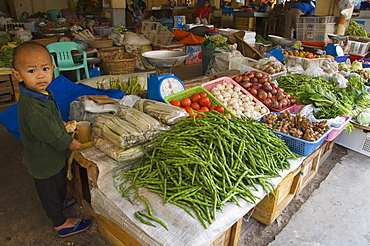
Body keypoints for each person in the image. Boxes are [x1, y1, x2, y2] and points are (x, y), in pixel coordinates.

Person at [12, 41, 92, 238]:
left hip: (51, 158)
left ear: (53, 69)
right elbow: (48, 133)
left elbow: (52, 121)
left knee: (58, 182)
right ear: (17, 75)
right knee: (49, 188)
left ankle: (60, 200)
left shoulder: (42, 93)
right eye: (31, 71)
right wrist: (70, 143)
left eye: (45, 69)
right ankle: (60, 221)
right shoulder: (33, 108)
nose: (40, 75)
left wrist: (62, 125)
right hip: (43, 160)